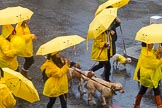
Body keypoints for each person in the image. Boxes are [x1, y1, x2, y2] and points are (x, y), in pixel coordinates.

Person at [89, 17, 121, 82]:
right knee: (107, 66)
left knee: (101, 65)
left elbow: (111, 40)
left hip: (107, 51)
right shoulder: (99, 32)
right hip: (102, 52)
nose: (110, 27)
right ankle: (107, 80)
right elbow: (97, 43)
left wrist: (112, 35)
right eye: (109, 26)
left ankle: (89, 72)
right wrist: (105, 44)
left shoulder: (108, 32)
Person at [133, 42, 162, 108]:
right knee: (155, 89)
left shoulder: (146, 51)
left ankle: (136, 104)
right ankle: (159, 105)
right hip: (150, 76)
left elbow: (154, 58)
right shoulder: (147, 54)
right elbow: (154, 64)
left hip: (146, 75)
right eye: (151, 43)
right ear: (147, 45)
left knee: (143, 89)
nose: (153, 44)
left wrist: (158, 53)